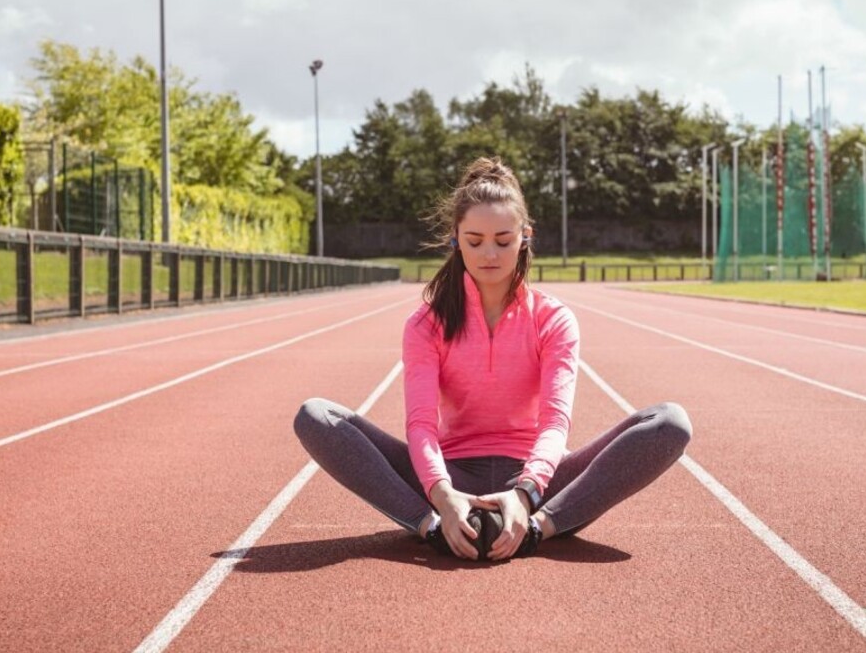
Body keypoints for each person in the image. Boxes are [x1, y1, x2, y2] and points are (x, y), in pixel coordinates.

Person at [294, 157, 691, 561]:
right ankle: (432, 527)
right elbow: (421, 424)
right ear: (456, 238)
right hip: (448, 477)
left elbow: (555, 423)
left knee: (670, 423)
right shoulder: (426, 324)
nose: (489, 253)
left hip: (538, 481)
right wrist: (442, 495)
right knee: (316, 416)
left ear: (525, 237)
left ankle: (537, 528)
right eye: (474, 240)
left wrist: (526, 493)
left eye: (503, 240)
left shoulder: (553, 319)